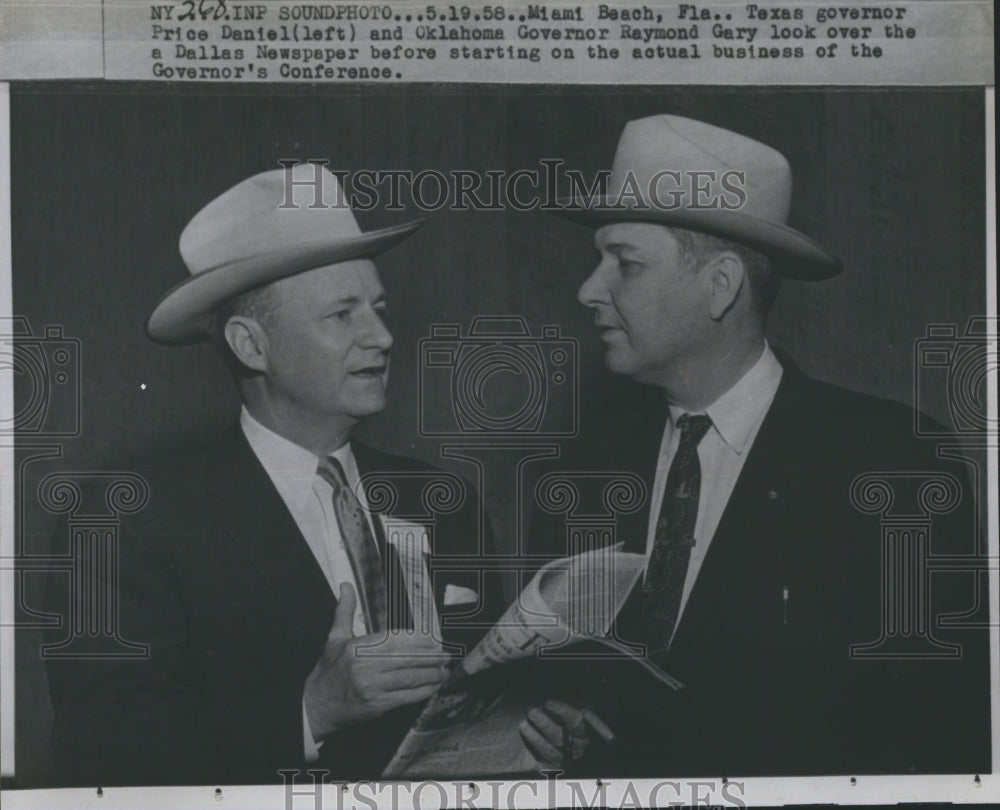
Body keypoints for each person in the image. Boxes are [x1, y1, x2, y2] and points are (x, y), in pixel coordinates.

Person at [44, 164, 584, 784]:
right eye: (342, 315)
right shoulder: (130, 520)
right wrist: (311, 711)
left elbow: (480, 706)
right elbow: (96, 741)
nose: (381, 336)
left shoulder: (444, 500)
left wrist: (535, 727)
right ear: (251, 346)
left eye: (379, 308)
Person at [530, 115, 991, 776]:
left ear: (720, 286)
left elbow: (941, 736)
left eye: (623, 263)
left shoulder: (892, 463)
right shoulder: (583, 467)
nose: (588, 290)